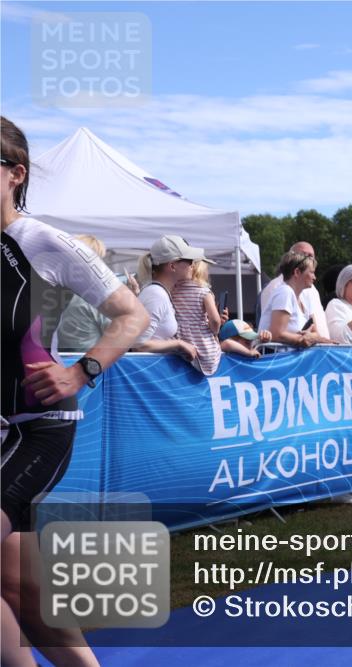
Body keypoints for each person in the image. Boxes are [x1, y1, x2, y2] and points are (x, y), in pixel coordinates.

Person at [2, 116, 149, 667]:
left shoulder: (42, 241)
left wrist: (81, 371)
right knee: (27, 599)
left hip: (39, 427)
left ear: (16, 174)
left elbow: (130, 314)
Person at [52, 234, 140, 353]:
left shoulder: (55, 291)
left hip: (58, 359)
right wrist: (131, 302)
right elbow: (119, 335)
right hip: (87, 363)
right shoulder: (95, 298)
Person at [132, 235, 208, 361]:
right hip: (149, 373)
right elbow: (138, 345)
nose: (192, 265)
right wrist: (179, 344)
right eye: (189, 260)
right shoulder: (156, 294)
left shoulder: (159, 292)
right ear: (172, 266)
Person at [259, 250, 334, 349]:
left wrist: (314, 338)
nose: (314, 277)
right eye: (311, 272)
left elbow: (315, 333)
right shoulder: (285, 292)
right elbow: (276, 334)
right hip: (278, 360)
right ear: (297, 272)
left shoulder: (302, 299)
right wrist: (304, 339)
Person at [172, 260, 225, 375]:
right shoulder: (204, 292)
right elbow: (215, 320)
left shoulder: (173, 290)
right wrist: (214, 330)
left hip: (181, 340)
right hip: (202, 343)